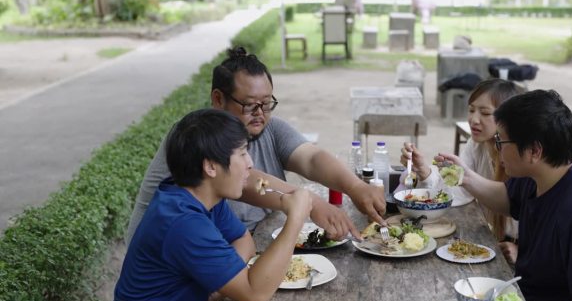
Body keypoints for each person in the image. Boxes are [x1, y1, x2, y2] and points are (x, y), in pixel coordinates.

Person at [125, 47, 385, 245]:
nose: (260, 113)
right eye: (250, 105)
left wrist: (355, 186)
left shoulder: (268, 128)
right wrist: (310, 203)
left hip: (236, 246)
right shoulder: (195, 136)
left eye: (267, 103)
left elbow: (311, 157)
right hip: (174, 260)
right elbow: (249, 182)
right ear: (218, 99)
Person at [436, 90, 572, 301]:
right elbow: (508, 199)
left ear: (534, 150)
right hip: (535, 300)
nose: (497, 149)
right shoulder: (544, 171)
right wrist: (465, 177)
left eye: (501, 141)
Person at [105, 109, 313, 301]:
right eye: (242, 153)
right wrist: (295, 221)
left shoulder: (200, 196)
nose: (250, 163)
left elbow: (243, 240)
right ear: (211, 166)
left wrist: (222, 283)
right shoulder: (183, 223)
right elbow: (256, 295)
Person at [398, 79, 525, 263]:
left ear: (508, 118)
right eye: (471, 110)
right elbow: (460, 193)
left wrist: (521, 250)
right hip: (492, 241)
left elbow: (540, 215)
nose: (474, 119)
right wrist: (424, 170)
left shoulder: (520, 157)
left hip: (518, 252)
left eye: (485, 113)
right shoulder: (477, 145)